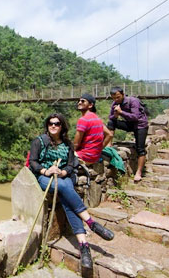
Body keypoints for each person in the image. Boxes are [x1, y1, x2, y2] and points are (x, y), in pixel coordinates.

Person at [29, 113, 114, 269]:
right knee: (63, 186)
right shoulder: (39, 141)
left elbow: (70, 165)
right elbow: (33, 162)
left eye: (57, 123)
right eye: (50, 123)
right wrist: (46, 171)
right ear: (47, 126)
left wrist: (63, 172)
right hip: (44, 177)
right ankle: (91, 222)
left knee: (67, 197)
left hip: (63, 177)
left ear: (62, 126)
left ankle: (84, 245)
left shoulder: (68, 144)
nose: (53, 126)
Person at [107, 87, 149, 182]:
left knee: (140, 149)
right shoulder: (115, 104)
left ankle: (138, 172)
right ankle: (109, 144)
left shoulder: (133, 101)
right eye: (114, 98)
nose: (116, 100)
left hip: (140, 125)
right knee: (111, 122)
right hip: (130, 124)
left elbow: (135, 117)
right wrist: (115, 116)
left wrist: (121, 112)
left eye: (118, 97)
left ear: (123, 94)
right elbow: (111, 117)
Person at [74, 94, 113, 165]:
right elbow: (110, 135)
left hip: (84, 156)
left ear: (90, 105)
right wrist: (99, 149)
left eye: (83, 101)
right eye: (79, 101)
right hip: (95, 156)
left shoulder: (83, 120)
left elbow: (76, 144)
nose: (79, 102)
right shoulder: (97, 118)